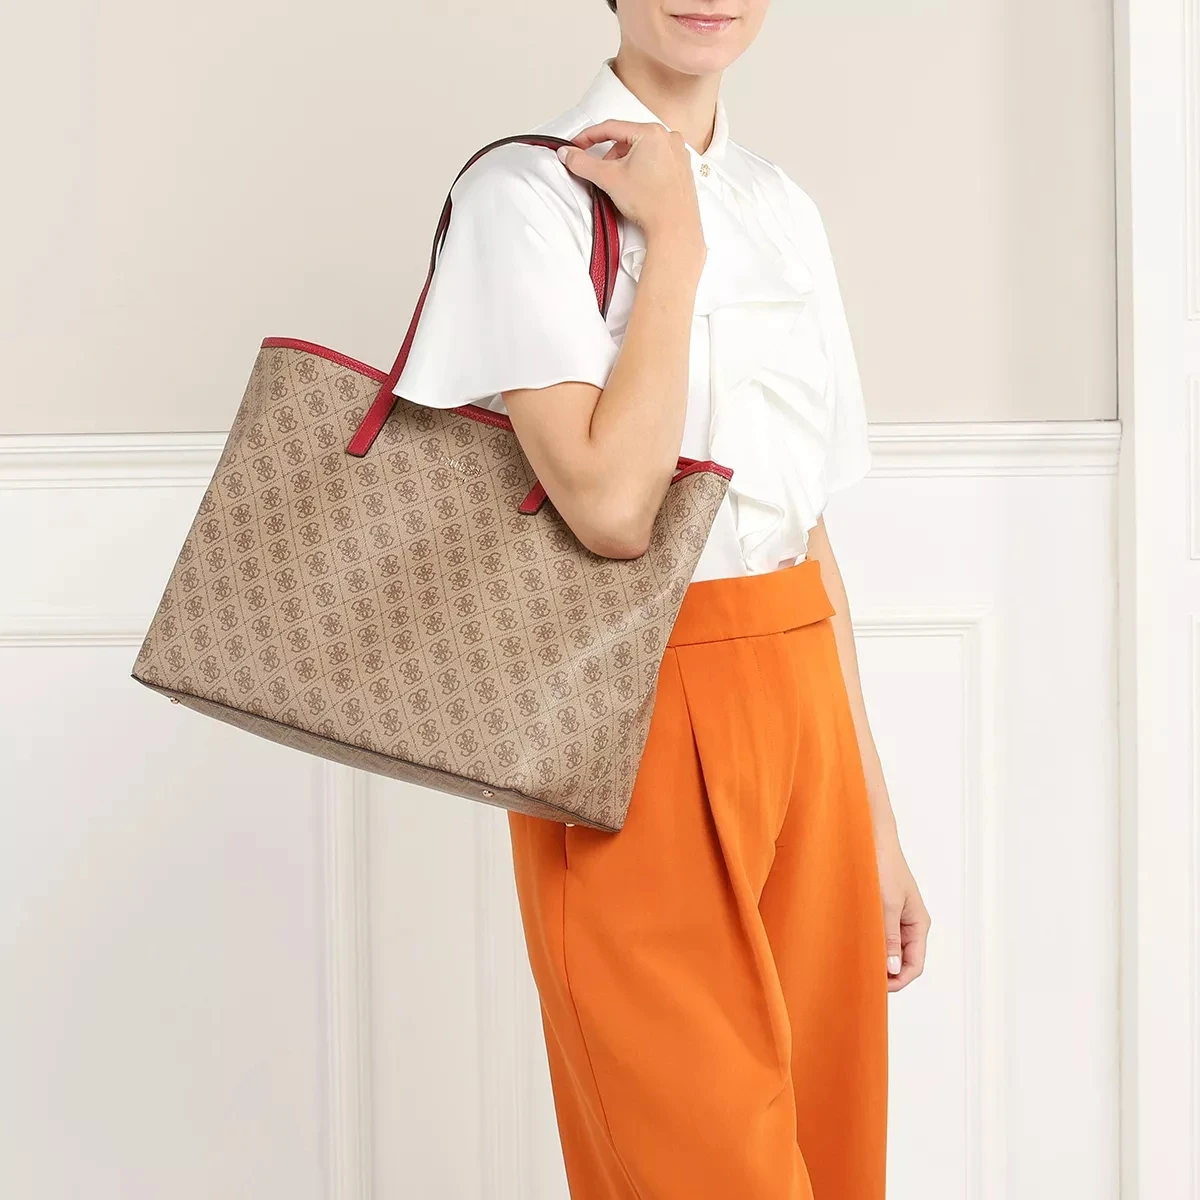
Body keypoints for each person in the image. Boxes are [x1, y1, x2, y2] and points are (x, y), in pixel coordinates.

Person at [392, 3, 931, 1196]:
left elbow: (804, 527)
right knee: (701, 1166)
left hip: (800, 694)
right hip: (631, 707)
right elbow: (610, 509)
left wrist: (876, 824)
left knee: (833, 1153)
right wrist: (673, 242)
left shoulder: (782, 207)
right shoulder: (523, 200)